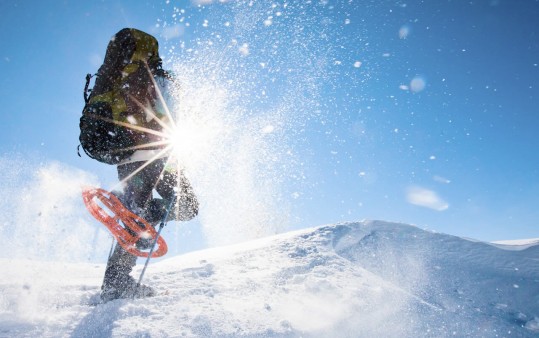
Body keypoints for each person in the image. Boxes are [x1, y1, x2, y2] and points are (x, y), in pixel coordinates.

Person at [81, 28, 198, 302]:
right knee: (183, 205)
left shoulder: (117, 80)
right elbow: (174, 117)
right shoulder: (158, 78)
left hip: (132, 157)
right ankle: (117, 282)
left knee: (158, 211)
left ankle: (137, 226)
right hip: (158, 156)